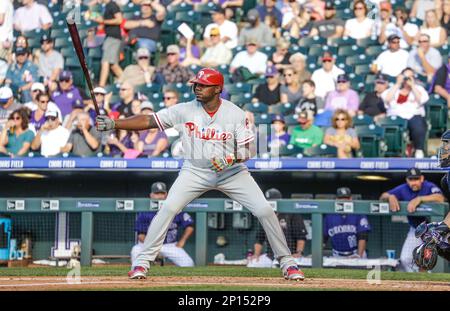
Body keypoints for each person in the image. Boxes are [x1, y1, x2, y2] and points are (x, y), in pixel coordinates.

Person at [96, 68, 305, 281]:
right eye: (196, 84)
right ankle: (141, 263)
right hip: (194, 170)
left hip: (232, 172)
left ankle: (288, 263)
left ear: (218, 89)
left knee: (264, 210)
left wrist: (230, 158)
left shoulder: (235, 113)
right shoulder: (185, 109)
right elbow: (149, 121)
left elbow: (249, 150)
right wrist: (115, 123)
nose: (197, 88)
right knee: (168, 208)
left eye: (203, 85)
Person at [380, 168, 445, 272]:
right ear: (407, 180)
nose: (414, 182)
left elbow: (440, 198)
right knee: (405, 259)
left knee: (430, 260)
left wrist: (419, 199)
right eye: (411, 179)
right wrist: (390, 196)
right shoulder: (403, 188)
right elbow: (383, 196)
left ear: (422, 178)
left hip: (434, 230)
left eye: (416, 179)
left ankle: (429, 281)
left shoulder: (428, 186)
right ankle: (417, 281)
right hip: (415, 228)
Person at [131, 181, 195, 267]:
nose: (160, 196)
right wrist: (153, 248)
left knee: (188, 264)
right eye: (157, 193)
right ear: (151, 195)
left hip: (169, 246)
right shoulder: (144, 211)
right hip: (148, 244)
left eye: (162, 193)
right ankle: (137, 273)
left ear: (166, 195)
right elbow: (141, 236)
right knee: (136, 251)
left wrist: (182, 241)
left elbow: (189, 226)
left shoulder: (175, 208)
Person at [247, 188, 307, 268]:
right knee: (252, 264)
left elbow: (301, 236)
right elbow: (259, 239)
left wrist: (299, 253)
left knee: (278, 265)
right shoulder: (264, 216)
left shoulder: (291, 214)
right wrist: (256, 255)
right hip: (270, 255)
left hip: (290, 254)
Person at [381, 68, 429, 158]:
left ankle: (418, 149)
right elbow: (387, 99)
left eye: (411, 76)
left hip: (413, 116)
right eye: (406, 77)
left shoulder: (419, 89)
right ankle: (392, 151)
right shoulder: (394, 89)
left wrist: (413, 86)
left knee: (418, 124)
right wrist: (398, 83)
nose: (408, 79)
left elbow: (421, 100)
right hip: (395, 117)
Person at [324, 187, 370, 258]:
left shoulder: (359, 213)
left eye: (346, 198)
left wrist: (358, 255)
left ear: (351, 199)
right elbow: (323, 238)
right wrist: (315, 254)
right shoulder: (329, 216)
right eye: (341, 198)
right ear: (336, 200)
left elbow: (363, 236)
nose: (343, 200)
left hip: (356, 252)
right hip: (337, 255)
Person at [91, 0, 123, 87]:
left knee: (106, 62)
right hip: (109, 37)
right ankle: (128, 82)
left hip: (113, 37)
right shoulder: (105, 6)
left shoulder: (112, 5)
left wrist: (103, 21)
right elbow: (97, 18)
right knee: (113, 65)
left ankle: (101, 86)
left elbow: (119, 20)